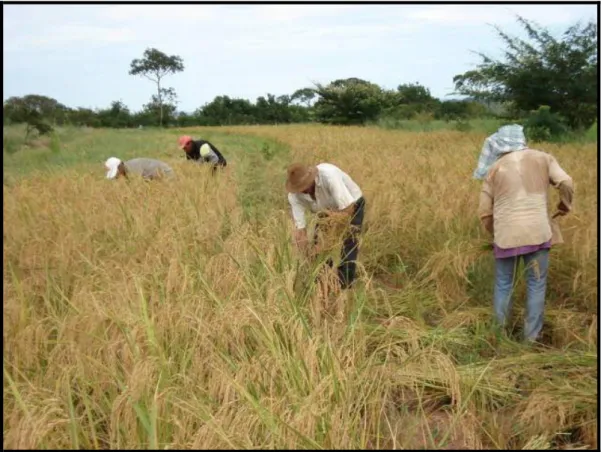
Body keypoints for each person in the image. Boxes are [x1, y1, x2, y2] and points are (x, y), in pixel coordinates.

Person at [475, 124, 574, 342]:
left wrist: (495, 233)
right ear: (522, 140)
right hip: (539, 233)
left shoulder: (494, 169)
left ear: (500, 145)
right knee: (536, 284)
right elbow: (566, 182)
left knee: (503, 284)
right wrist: (564, 205)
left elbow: (484, 212)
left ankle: (500, 335)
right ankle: (532, 337)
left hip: (506, 237)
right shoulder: (543, 158)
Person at [286, 162, 365, 290]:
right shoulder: (294, 196)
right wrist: (306, 252)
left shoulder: (329, 177)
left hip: (351, 205)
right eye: (300, 188)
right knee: (317, 246)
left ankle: (344, 284)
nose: (304, 190)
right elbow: (300, 229)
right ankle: (324, 280)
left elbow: (347, 210)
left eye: (305, 185)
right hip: (325, 210)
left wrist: (325, 243)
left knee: (349, 242)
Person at [104, 156, 174, 180]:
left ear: (120, 166)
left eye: (116, 173)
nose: (117, 176)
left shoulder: (133, 169)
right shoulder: (127, 171)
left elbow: (138, 188)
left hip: (166, 174)